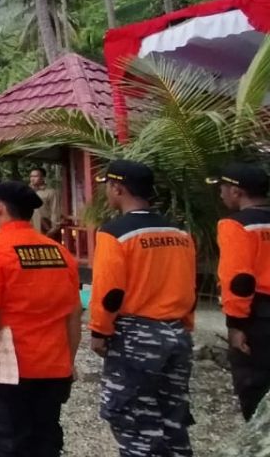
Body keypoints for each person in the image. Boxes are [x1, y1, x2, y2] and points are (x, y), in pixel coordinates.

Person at [89, 159, 196, 457]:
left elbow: (109, 291)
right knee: (172, 415)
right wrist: (186, 323)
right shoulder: (179, 232)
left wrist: (100, 329)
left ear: (117, 187)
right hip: (177, 333)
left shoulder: (115, 233)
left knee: (134, 417)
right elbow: (190, 286)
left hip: (136, 335)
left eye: (108, 188)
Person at [0, 181, 81, 456]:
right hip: (54, 366)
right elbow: (73, 314)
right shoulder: (60, 253)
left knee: (10, 442)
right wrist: (69, 361)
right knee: (45, 440)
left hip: (12, 368)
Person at [211, 162, 270, 421]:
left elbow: (239, 280)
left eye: (222, 188)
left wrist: (235, 325)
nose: (221, 194)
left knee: (255, 388)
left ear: (236, 192)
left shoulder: (235, 225)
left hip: (258, 316)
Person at [29, 168, 61, 238]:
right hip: (31, 227)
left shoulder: (50, 192)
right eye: (31, 176)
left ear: (43, 178)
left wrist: (54, 228)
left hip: (46, 226)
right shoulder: (27, 192)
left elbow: (55, 211)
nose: (32, 178)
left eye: (36, 176)